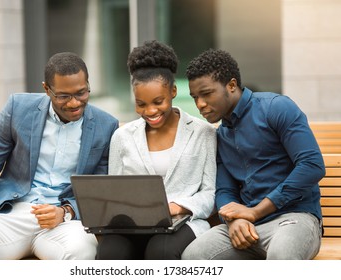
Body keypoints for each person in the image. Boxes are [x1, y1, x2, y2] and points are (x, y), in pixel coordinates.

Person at [0, 52, 119, 260]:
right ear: (47, 89)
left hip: (64, 221)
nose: (75, 103)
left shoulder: (107, 125)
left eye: (81, 93)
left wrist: (66, 212)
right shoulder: (18, 109)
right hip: (12, 213)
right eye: (64, 96)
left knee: (81, 251)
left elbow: (100, 187)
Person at [181, 49, 325, 260]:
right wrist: (234, 220)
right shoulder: (220, 135)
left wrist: (256, 211)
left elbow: (312, 165)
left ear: (231, 85)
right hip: (247, 225)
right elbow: (225, 189)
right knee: (193, 256)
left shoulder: (277, 108)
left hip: (294, 219)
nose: (200, 104)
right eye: (195, 97)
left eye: (207, 93)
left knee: (281, 256)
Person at [95, 40, 217, 260]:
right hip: (134, 223)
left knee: (160, 250)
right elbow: (114, 192)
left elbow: (209, 192)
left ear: (173, 91)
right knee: (110, 252)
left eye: (158, 101)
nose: (150, 111)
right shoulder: (122, 137)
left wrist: (177, 207)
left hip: (183, 221)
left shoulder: (203, 132)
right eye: (141, 104)